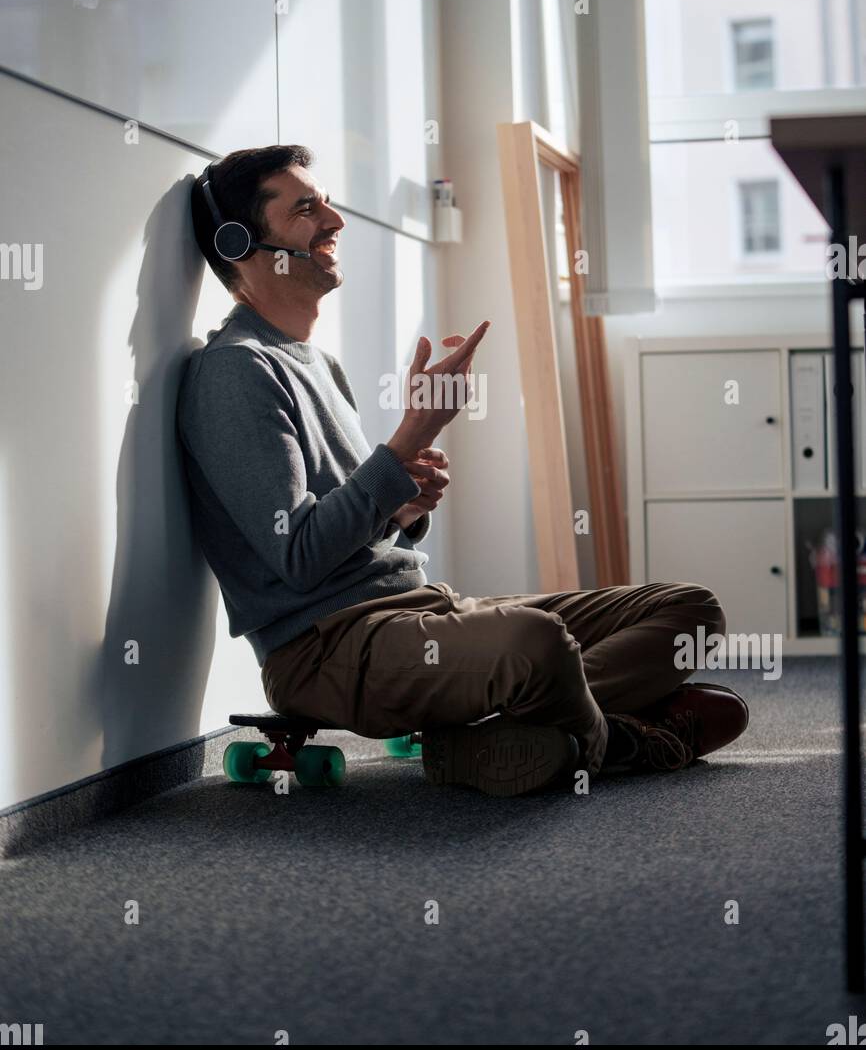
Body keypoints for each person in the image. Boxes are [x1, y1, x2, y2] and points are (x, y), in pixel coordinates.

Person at [177, 145, 748, 798]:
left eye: (326, 203)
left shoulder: (317, 363)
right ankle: (616, 742)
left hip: (420, 607)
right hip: (325, 649)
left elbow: (347, 527)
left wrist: (402, 507)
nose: (335, 221)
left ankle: (507, 735)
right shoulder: (235, 371)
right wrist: (411, 437)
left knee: (691, 610)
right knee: (536, 642)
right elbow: (299, 557)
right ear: (240, 244)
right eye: (306, 209)